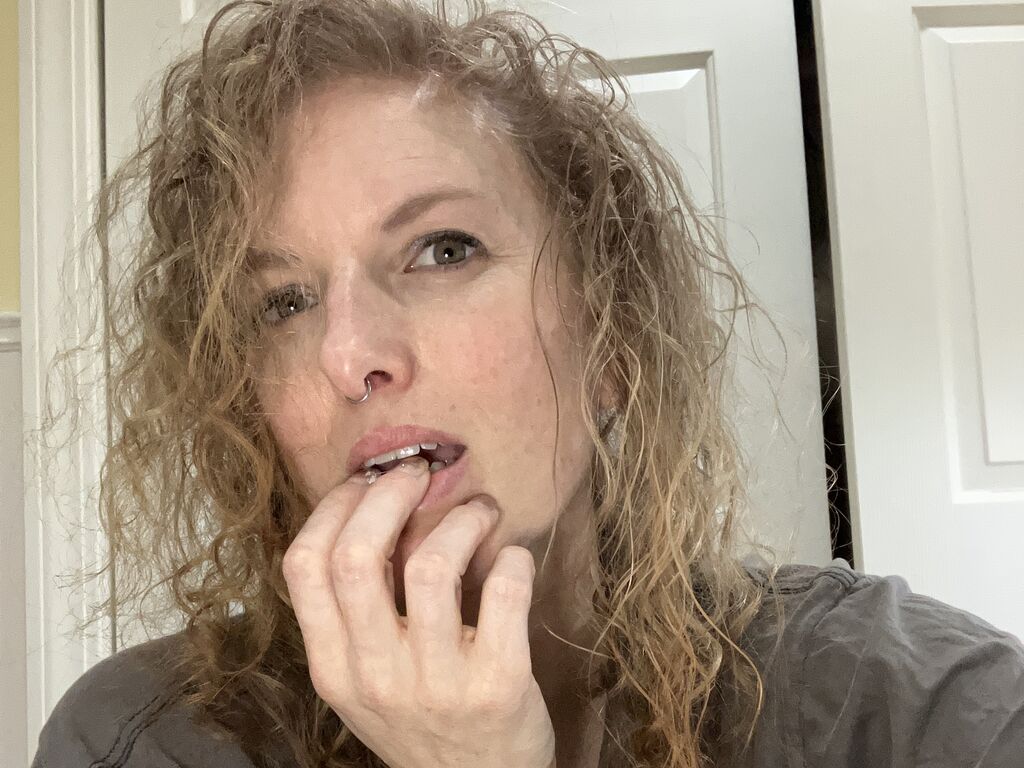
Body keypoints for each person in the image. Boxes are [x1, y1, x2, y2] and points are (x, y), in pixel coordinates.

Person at [30, 1, 1024, 767]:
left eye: (443, 249)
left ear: (613, 338)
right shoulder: (143, 742)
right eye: (284, 302)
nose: (348, 353)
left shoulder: (916, 711)